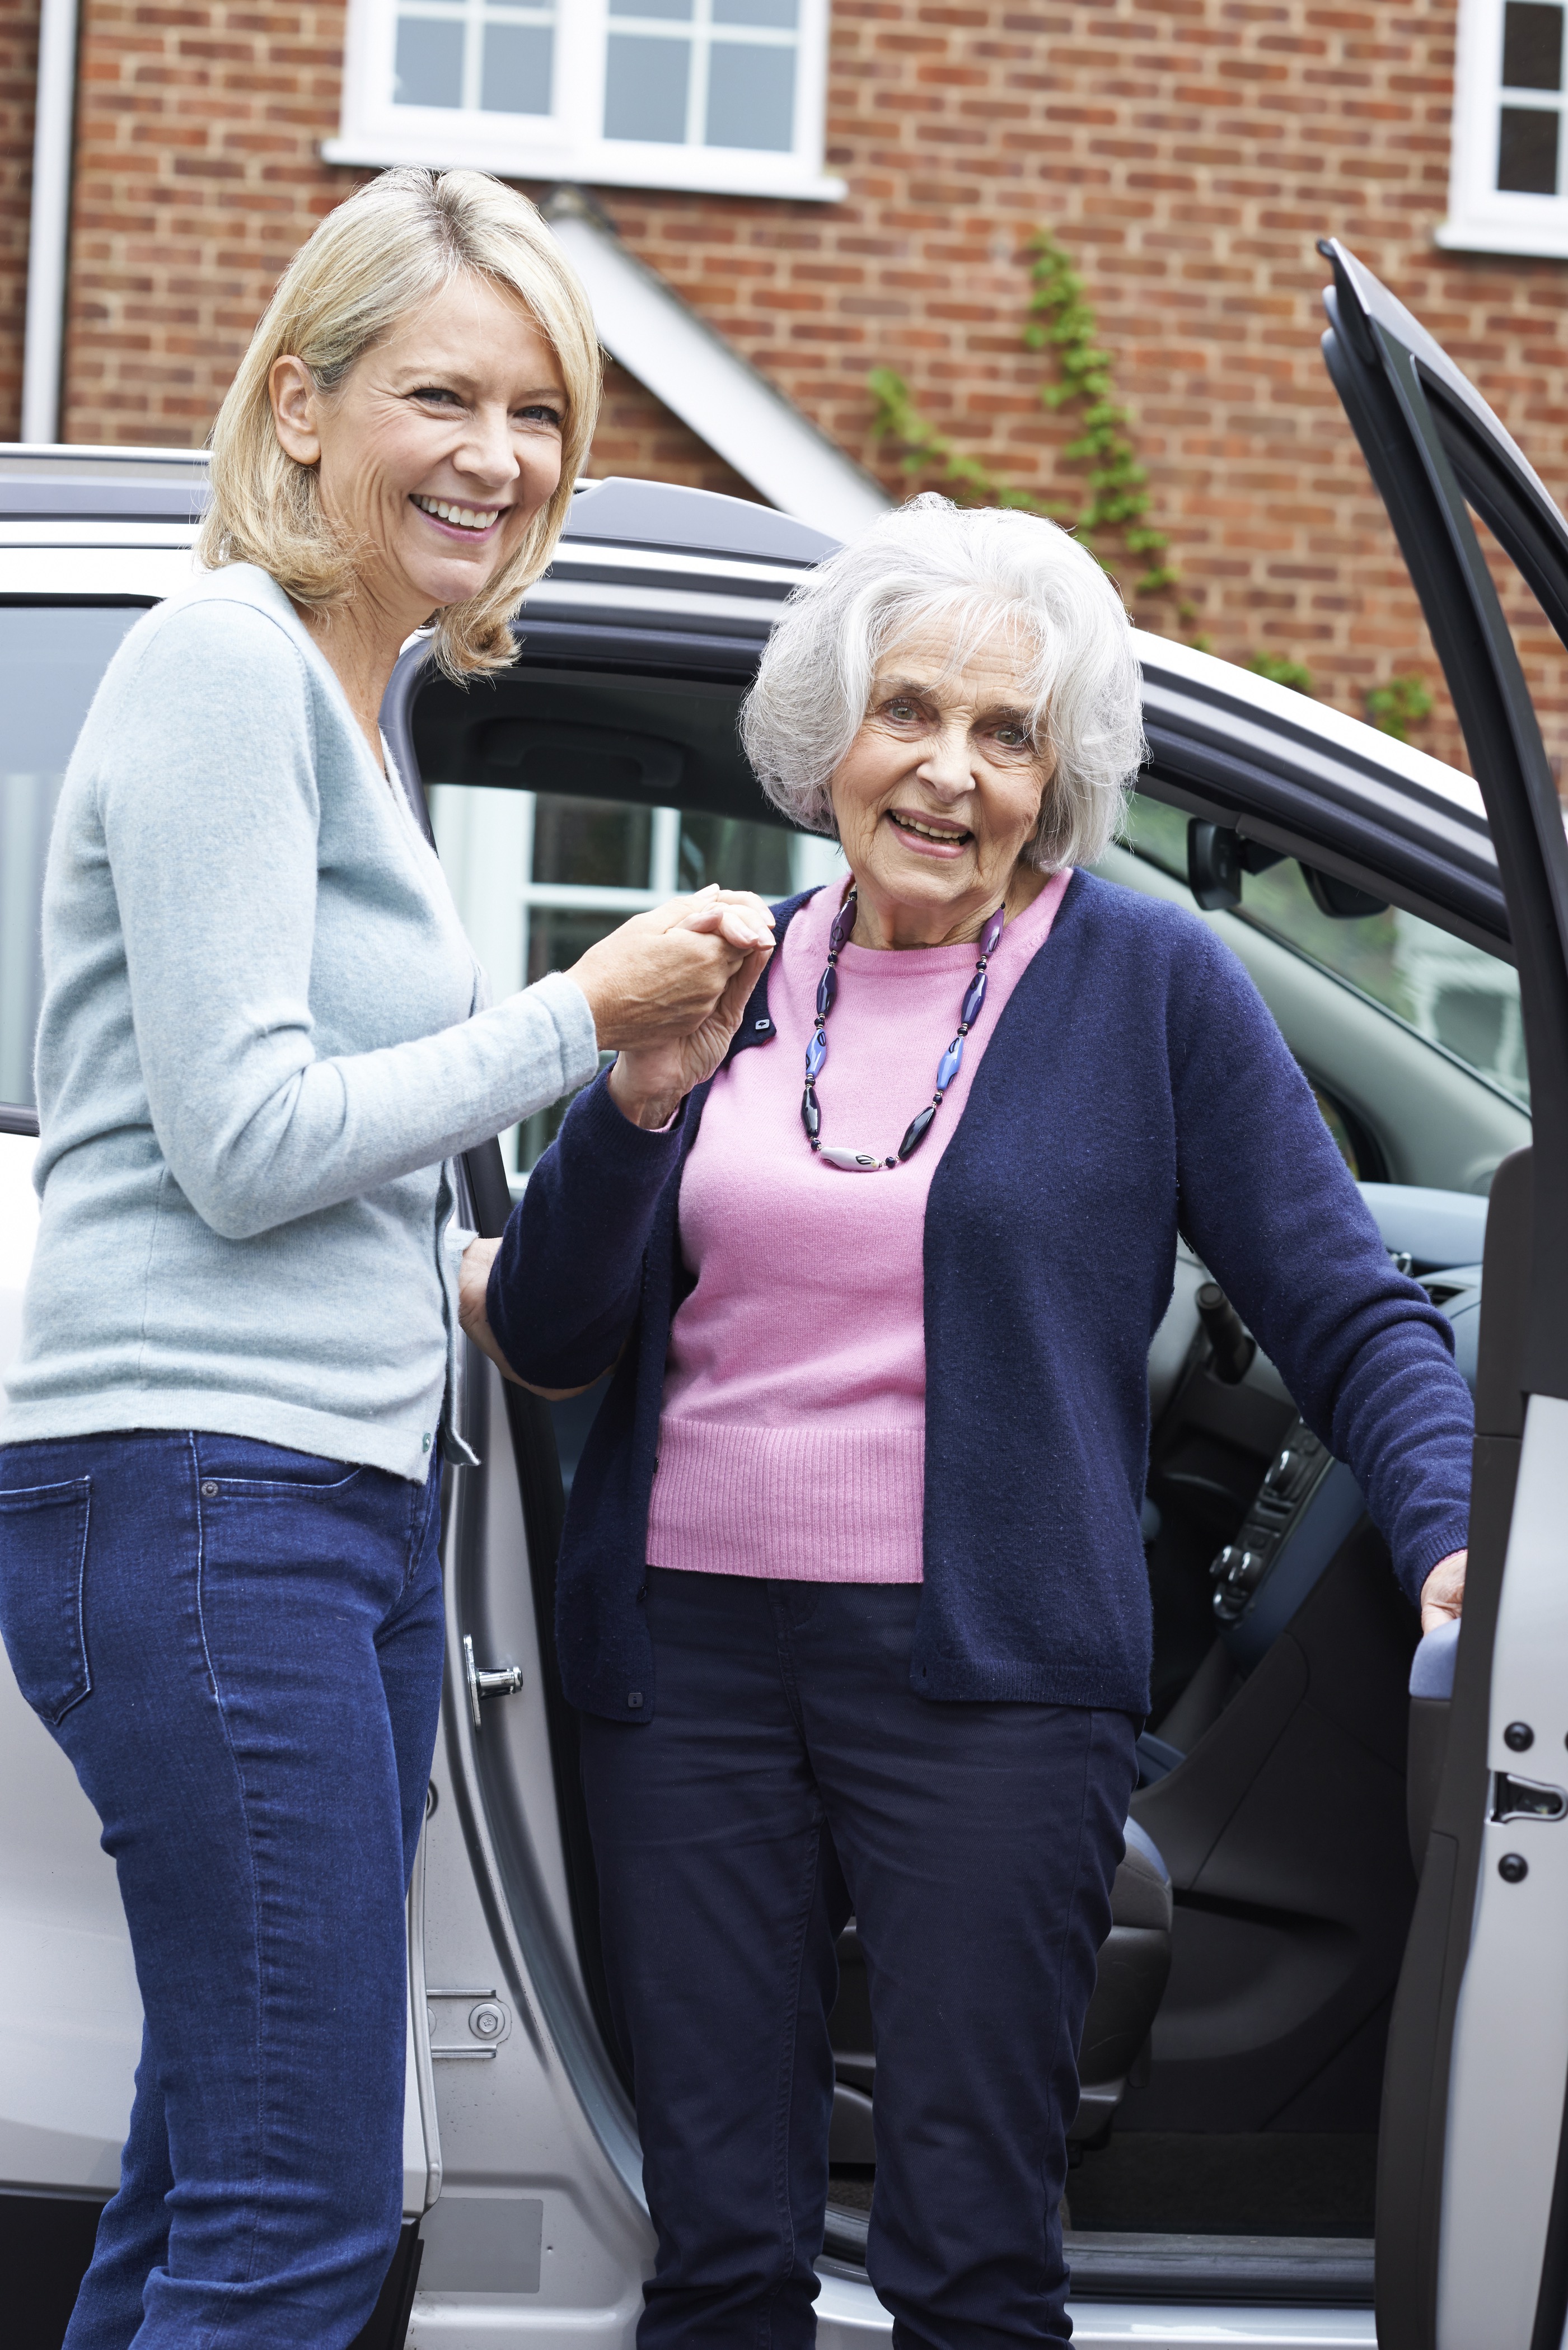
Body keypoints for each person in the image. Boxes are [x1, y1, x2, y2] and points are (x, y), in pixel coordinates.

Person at [461, 495, 1472, 2347]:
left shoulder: (1148, 987)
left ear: (1058, 773)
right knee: (720, 2251)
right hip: (679, 1670)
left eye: (1005, 734)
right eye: (905, 711)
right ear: (826, 739)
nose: (945, 773)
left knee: (971, 2255)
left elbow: (1340, 1298)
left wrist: (1454, 1537)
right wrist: (629, 1099)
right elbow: (546, 1327)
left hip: (991, 1686)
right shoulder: (719, 968)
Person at [0, 167, 766, 2349]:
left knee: (196, 2192)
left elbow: (274, 1157)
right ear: (307, 401)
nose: (495, 457)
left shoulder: (351, 707)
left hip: (302, 1502)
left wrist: (553, 1174)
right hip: (207, 1500)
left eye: (537, 412)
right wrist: (575, 1011)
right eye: (442, 391)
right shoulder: (225, 670)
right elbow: (241, 1149)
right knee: (300, 2224)